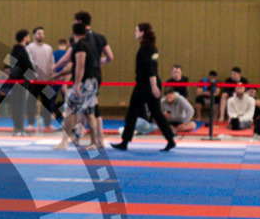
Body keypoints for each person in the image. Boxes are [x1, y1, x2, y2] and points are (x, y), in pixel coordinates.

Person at [112, 22, 176, 152]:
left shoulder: (145, 48)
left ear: (142, 33)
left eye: (136, 30)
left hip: (145, 84)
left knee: (132, 113)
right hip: (151, 82)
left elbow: (150, 69)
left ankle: (125, 142)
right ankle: (170, 139)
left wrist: (153, 86)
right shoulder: (153, 48)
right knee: (157, 113)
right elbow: (152, 68)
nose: (135, 33)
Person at [57, 22, 101, 149]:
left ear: (73, 32)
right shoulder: (90, 45)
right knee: (89, 112)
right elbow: (77, 67)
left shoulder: (79, 45)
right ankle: (93, 142)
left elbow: (79, 66)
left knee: (71, 111)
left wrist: (76, 84)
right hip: (92, 82)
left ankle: (64, 141)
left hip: (84, 83)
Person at [25, 26, 55, 131]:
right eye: (39, 33)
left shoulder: (49, 48)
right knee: (31, 103)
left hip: (46, 80)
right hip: (34, 81)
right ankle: (30, 124)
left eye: (42, 33)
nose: (41, 35)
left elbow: (52, 64)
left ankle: (47, 125)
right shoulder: (29, 48)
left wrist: (52, 75)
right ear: (34, 35)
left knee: (47, 103)